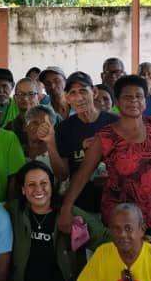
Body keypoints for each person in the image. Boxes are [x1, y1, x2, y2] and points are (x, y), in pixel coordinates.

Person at [61, 76, 151, 241]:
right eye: (127, 97)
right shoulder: (105, 137)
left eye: (138, 96)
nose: (133, 101)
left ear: (145, 101)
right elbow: (82, 175)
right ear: (117, 102)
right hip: (121, 221)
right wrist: (66, 208)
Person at [45, 72, 118, 213]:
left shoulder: (113, 122)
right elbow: (62, 175)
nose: (79, 98)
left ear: (94, 92)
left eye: (83, 91)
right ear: (67, 98)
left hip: (114, 202)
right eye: (73, 93)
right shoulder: (64, 129)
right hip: (81, 205)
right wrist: (50, 143)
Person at [8, 77, 45, 145]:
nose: (25, 98)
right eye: (20, 94)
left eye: (31, 94)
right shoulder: (9, 128)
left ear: (39, 97)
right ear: (15, 99)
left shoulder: (52, 121)